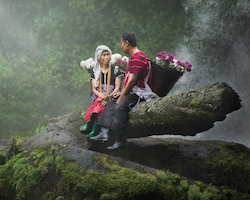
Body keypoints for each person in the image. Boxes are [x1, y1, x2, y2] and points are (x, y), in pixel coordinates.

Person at [90, 32, 158, 149]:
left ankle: (120, 140)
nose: (121, 46)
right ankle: (104, 133)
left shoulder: (138, 58)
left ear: (127, 43)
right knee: (112, 101)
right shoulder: (134, 58)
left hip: (140, 93)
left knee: (121, 107)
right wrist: (120, 94)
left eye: (121, 43)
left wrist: (121, 97)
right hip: (132, 91)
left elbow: (132, 81)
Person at [79, 45, 124, 138]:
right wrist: (102, 96)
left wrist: (109, 96)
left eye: (108, 54)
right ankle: (93, 128)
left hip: (112, 96)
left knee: (100, 104)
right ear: (99, 56)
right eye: (104, 55)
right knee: (100, 102)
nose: (107, 57)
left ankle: (91, 127)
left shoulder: (115, 70)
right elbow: (94, 89)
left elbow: (117, 87)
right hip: (99, 96)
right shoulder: (95, 71)